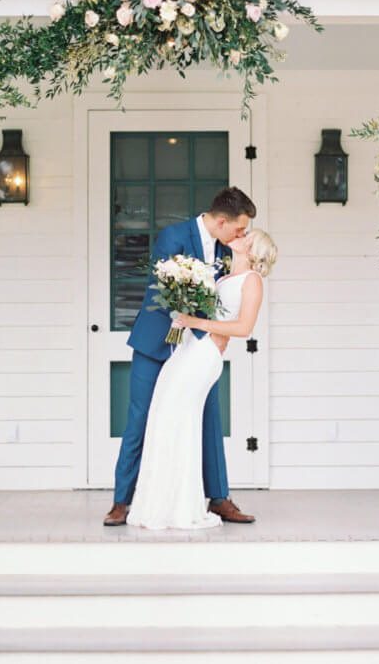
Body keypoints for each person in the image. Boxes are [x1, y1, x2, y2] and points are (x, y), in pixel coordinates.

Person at [104, 186, 257, 526]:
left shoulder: (227, 249)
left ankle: (218, 498)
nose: (241, 235)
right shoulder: (174, 235)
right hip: (156, 342)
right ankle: (121, 501)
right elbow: (160, 288)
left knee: (208, 418)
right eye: (239, 229)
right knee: (140, 418)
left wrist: (207, 332)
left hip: (198, 349)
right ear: (221, 220)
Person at [126, 228, 278, 529]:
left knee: (181, 423)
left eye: (246, 234)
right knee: (165, 418)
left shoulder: (252, 282)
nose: (240, 233)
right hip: (186, 350)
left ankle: (181, 507)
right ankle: (158, 504)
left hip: (204, 355)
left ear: (251, 248)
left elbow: (243, 328)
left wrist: (194, 321)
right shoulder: (222, 277)